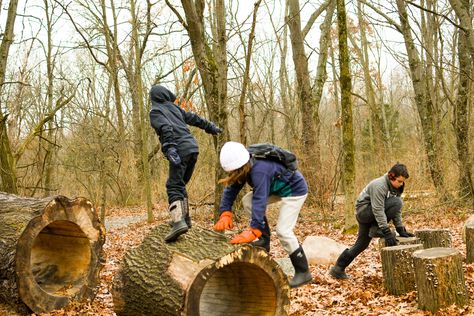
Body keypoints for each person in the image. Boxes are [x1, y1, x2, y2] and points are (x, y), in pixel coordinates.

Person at [213, 141, 312, 288]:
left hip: (294, 190)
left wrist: (255, 228)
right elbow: (231, 188)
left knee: (283, 231)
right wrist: (225, 212)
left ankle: (303, 272)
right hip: (277, 188)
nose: (232, 174)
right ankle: (264, 241)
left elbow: (260, 198)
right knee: (248, 201)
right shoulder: (244, 164)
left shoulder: (260, 170)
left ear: (241, 165)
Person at [149, 84, 222, 243]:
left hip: (179, 149)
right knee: (180, 184)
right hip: (192, 148)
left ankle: (178, 222)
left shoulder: (156, 111)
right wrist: (210, 127)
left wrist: (170, 148)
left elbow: (165, 127)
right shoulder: (175, 109)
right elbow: (193, 118)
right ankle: (185, 219)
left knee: (173, 186)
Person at [329, 163, 415, 279]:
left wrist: (400, 228)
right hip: (364, 213)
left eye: (402, 182)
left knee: (361, 244)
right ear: (391, 176)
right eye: (399, 181)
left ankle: (338, 269)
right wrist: (385, 230)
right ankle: (376, 229)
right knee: (397, 202)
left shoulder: (395, 187)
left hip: (371, 215)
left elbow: (396, 210)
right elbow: (378, 209)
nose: (401, 184)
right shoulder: (379, 185)